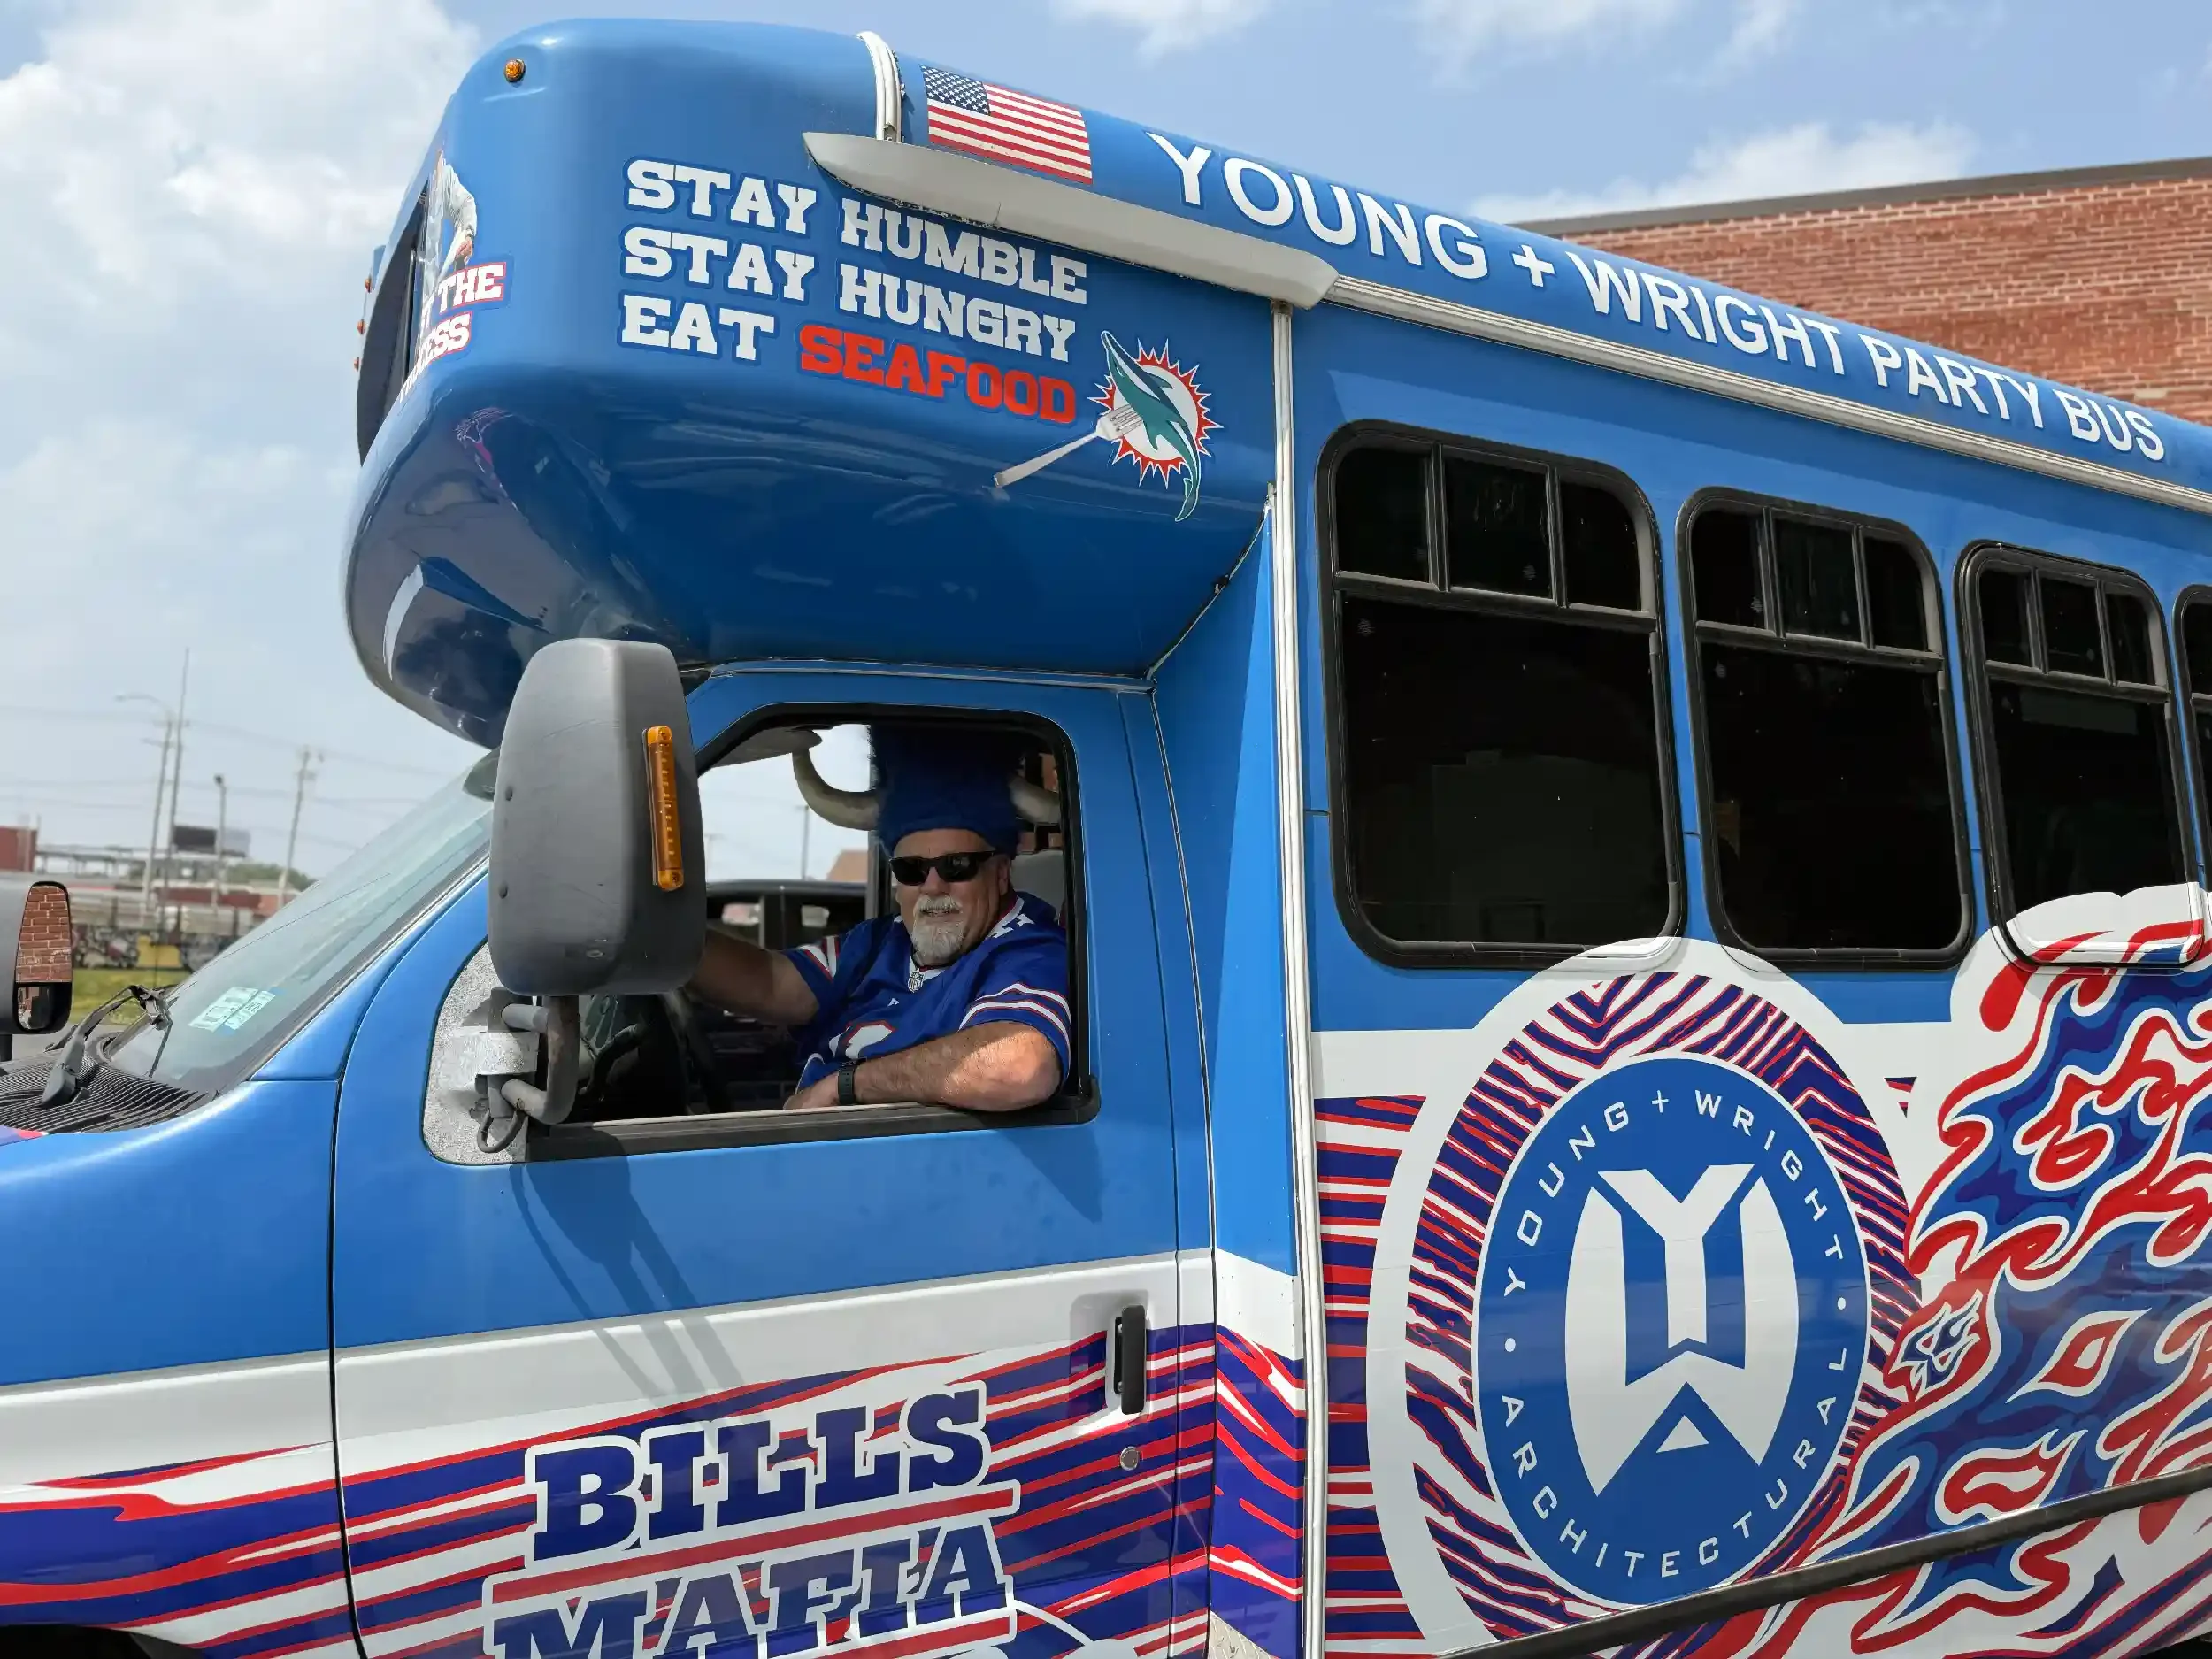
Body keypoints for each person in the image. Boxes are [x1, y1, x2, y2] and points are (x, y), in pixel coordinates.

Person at [688, 727, 1070, 1112]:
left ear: (1002, 873)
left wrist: (846, 1086)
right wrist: (661, 941)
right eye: (911, 869)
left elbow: (1020, 1067)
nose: (933, 887)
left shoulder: (1027, 948)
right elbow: (772, 983)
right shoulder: (879, 942)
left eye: (957, 866)